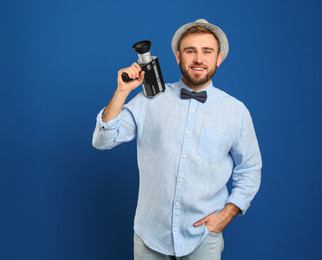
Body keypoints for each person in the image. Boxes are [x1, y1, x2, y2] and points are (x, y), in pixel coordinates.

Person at [92, 19, 262, 260]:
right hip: (150, 236)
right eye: (190, 51)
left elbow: (251, 168)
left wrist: (228, 213)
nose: (199, 59)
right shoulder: (149, 99)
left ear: (218, 58)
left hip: (203, 238)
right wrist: (122, 91)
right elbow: (103, 140)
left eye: (207, 51)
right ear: (178, 57)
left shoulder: (235, 111)